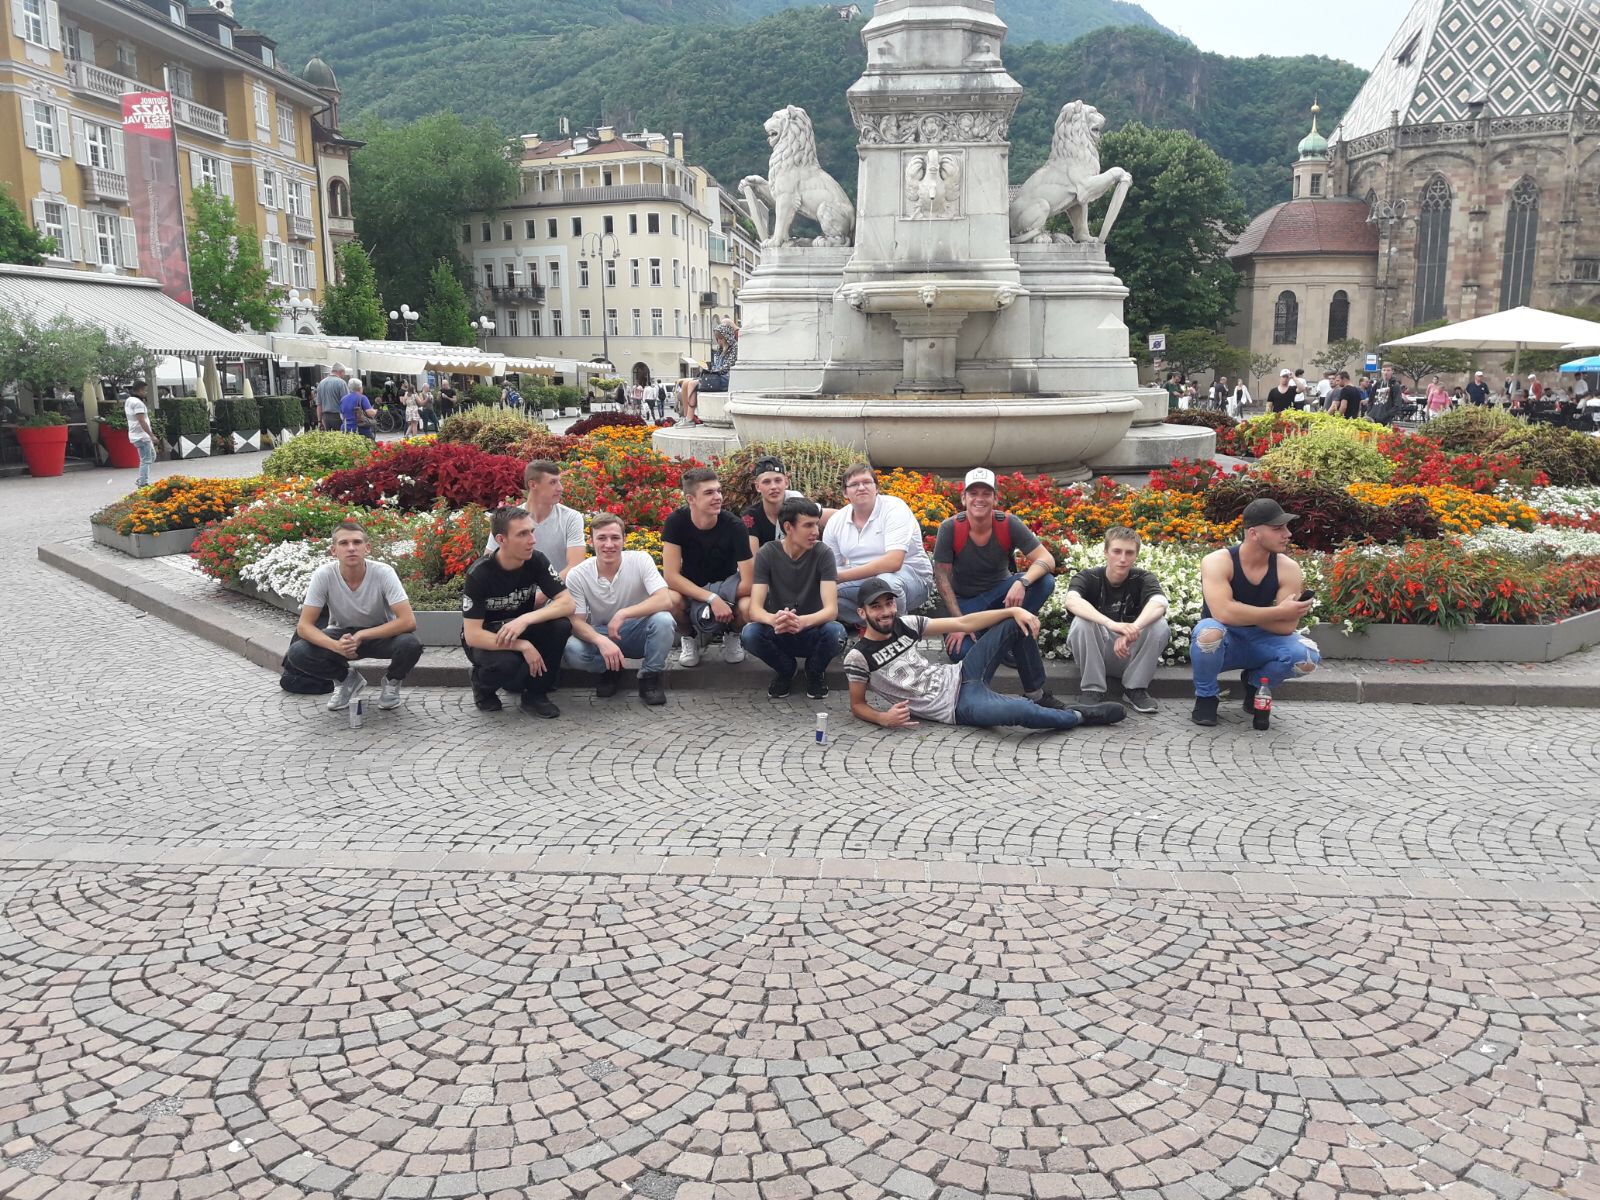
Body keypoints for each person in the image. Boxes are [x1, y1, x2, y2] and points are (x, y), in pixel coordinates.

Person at [845, 577, 1121, 733]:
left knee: (1017, 623)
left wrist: (1013, 611)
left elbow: (964, 624)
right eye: (876, 607)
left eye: (889, 603)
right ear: (862, 613)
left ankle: (1037, 693)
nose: (885, 612)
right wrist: (883, 718)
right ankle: (1078, 717)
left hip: (963, 672)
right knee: (1021, 712)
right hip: (956, 705)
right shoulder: (858, 658)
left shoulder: (906, 624)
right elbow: (857, 704)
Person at [1190, 498, 1321, 730]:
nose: (1287, 534)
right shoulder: (1216, 561)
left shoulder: (1288, 567)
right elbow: (1222, 613)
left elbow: (1286, 627)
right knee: (1208, 632)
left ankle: (1254, 684)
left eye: (1286, 527)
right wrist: (1278, 612)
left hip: (1261, 640)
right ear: (1253, 533)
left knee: (1308, 657)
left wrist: (1244, 614)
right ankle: (1206, 696)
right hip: (1224, 640)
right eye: (1277, 528)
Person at [284, 521, 423, 714]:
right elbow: (304, 627)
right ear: (334, 550)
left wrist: (362, 635)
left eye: (357, 542)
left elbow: (408, 621)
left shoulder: (383, 572)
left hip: (380, 634)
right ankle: (347, 680)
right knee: (297, 652)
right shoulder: (323, 575)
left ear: (367, 548)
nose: (351, 548)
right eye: (344, 543)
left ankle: (392, 682)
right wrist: (335, 646)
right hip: (341, 634)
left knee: (410, 644)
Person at [461, 505, 575, 718]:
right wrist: (523, 645)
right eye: (523, 534)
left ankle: (535, 695)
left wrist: (525, 619)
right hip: (488, 637)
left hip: (520, 627)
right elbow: (473, 635)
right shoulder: (479, 574)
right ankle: (481, 686)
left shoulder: (536, 560)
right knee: (506, 664)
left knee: (561, 625)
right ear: (501, 539)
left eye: (531, 531)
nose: (532, 539)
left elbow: (567, 603)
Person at [932, 468, 1056, 662]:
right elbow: (942, 579)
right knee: (961, 653)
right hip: (965, 603)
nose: (979, 499)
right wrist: (958, 622)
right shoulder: (950, 527)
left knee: (1045, 582)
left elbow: (1047, 559)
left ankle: (1001, 636)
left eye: (986, 494)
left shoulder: (1008, 523)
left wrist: (1022, 582)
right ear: (964, 498)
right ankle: (1002, 639)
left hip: (1001, 594)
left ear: (995, 499)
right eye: (973, 493)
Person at [562, 513, 677, 706]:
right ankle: (610, 670)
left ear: (624, 539)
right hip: (603, 633)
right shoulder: (578, 574)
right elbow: (576, 622)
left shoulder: (641, 560)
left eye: (615, 537)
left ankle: (650, 677)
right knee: (572, 649)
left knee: (663, 620)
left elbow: (664, 599)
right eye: (601, 538)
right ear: (591, 541)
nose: (609, 544)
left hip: (639, 631)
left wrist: (623, 613)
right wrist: (601, 641)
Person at [742, 497, 846, 699]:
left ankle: (814, 672)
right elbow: (754, 609)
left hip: (812, 628)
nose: (816, 531)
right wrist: (775, 619)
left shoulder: (823, 552)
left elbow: (831, 610)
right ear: (788, 527)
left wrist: (802, 622)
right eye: (808, 525)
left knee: (837, 633)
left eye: (817, 524)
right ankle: (785, 669)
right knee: (749, 634)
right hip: (780, 629)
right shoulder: (767, 553)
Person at [1063, 526, 1170, 714]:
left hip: (1128, 651)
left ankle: (1135, 689)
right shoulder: (1088, 577)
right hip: (1097, 652)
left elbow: (1159, 603)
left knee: (1160, 624)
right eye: (1117, 551)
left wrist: (1131, 630)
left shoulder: (1143, 578)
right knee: (1082, 622)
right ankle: (1091, 689)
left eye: (1129, 553)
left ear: (1136, 555)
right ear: (1106, 552)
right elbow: (1072, 601)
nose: (1123, 559)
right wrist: (1112, 624)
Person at [662, 466, 754, 666]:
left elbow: (748, 582)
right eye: (709, 493)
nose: (718, 497)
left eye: (719, 491)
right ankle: (690, 636)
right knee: (670, 599)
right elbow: (670, 576)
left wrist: (721, 597)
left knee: (748, 605)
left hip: (728, 590)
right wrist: (710, 598)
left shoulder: (735, 527)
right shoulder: (676, 522)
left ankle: (732, 634)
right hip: (691, 589)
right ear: (690, 499)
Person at [824, 461, 934, 622]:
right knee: (825, 594)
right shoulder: (836, 521)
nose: (861, 487)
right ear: (845, 493)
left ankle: (899, 633)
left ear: (877, 488)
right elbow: (831, 567)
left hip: (911, 579)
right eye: (854, 484)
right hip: (863, 581)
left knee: (886, 583)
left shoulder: (894, 508)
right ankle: (873, 628)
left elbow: (894, 562)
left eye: (867, 482)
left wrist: (840, 576)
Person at [481, 460, 586, 576]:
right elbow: (488, 565)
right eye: (553, 482)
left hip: (560, 591)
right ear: (533, 485)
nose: (560, 488)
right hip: (518, 591)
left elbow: (575, 566)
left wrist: (542, 593)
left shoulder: (571, 518)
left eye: (559, 482)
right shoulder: (507, 519)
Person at [678, 321, 738, 426]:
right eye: (718, 339)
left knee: (692, 384)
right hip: (717, 376)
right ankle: (685, 416)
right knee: (685, 383)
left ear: (726, 337)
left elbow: (727, 367)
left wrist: (711, 371)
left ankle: (690, 418)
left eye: (720, 338)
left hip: (725, 378)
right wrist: (709, 369)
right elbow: (717, 366)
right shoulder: (720, 350)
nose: (719, 341)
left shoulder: (734, 348)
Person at [742, 455, 806, 551]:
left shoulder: (799, 503)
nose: (773, 486)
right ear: (758, 487)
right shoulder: (749, 517)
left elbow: (826, 515)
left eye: (778, 480)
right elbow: (751, 562)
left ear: (786, 482)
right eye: (766, 482)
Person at [123, 379, 158, 488]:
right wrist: (151, 435)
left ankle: (142, 478)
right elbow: (141, 420)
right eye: (145, 390)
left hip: (136, 435)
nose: (146, 393)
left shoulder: (129, 400)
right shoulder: (137, 403)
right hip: (142, 436)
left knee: (151, 456)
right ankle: (143, 483)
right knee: (146, 459)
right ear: (139, 390)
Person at [316, 364, 349, 432]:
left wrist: (319, 421)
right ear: (341, 371)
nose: (344, 375)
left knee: (329, 440)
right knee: (341, 439)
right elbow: (347, 403)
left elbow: (319, 405)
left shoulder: (321, 383)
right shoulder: (341, 383)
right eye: (344, 373)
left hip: (325, 418)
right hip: (338, 417)